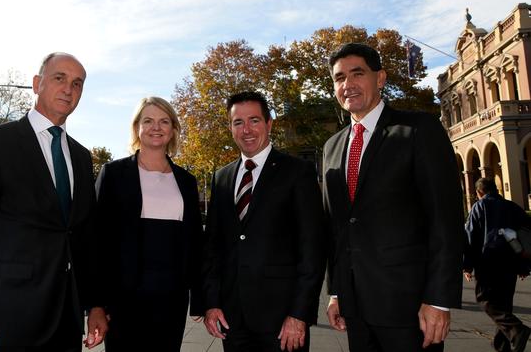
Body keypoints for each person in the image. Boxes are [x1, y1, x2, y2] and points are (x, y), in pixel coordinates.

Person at [0, 52, 108, 352]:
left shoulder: (81, 157)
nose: (68, 89)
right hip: (8, 317)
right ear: (37, 84)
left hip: (66, 317)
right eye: (59, 78)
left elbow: (85, 239)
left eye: (77, 83)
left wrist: (95, 305)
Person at [322, 43, 465, 352]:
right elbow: (338, 228)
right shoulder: (331, 148)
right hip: (355, 309)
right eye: (339, 77)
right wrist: (336, 292)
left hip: (411, 308)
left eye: (357, 73)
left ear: (381, 78)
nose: (347, 84)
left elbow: (446, 219)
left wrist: (439, 299)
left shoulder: (419, 130)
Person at [202, 91, 326, 352]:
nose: (246, 129)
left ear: (269, 124)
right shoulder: (221, 177)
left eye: (254, 120)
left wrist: (299, 314)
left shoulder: (297, 172)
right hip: (232, 320)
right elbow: (213, 248)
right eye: (238, 122)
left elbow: (312, 249)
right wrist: (211, 304)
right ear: (230, 128)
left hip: (282, 322)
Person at [94, 96, 204, 351]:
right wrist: (96, 304)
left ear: (173, 129)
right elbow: (97, 241)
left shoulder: (187, 181)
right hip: (123, 300)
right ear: (137, 128)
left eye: (164, 121)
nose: (157, 127)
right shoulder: (113, 174)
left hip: (171, 299)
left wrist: (200, 298)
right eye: (149, 121)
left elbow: (196, 243)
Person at [464, 177, 531, 352]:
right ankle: (503, 347)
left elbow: (471, 238)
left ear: (479, 192)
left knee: (484, 299)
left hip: (489, 262)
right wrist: (524, 265)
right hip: (510, 263)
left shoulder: (479, 207)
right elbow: (526, 237)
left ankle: (517, 330)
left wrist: (467, 265)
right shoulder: (513, 207)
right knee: (504, 304)